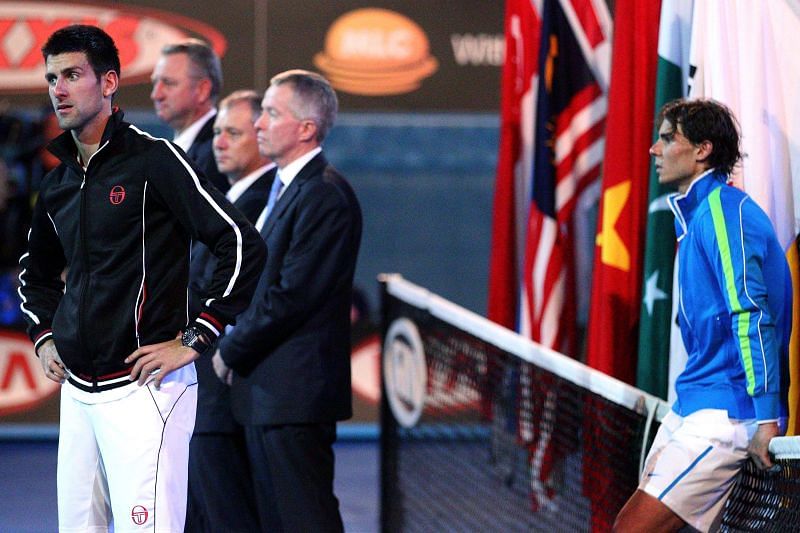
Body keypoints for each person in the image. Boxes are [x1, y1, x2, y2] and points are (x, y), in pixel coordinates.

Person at [18, 25, 265, 532]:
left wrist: (198, 336)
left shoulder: (155, 160)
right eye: (51, 78)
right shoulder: (60, 181)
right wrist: (44, 338)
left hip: (145, 391)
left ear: (109, 83)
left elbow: (239, 244)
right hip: (78, 393)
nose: (58, 90)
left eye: (72, 75)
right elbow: (35, 274)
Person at [614, 98, 791, 533]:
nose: (654, 150)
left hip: (728, 413)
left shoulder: (723, 213)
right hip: (695, 403)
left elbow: (751, 315)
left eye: (668, 138)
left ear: (702, 150)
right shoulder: (697, 216)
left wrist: (766, 418)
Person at [212, 69, 362, 532]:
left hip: (294, 396)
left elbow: (290, 296)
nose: (259, 124)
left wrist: (229, 350)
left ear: (306, 129)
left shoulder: (323, 196)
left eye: (272, 113)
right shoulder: (289, 190)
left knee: (303, 519)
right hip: (270, 394)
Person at [184, 89, 275, 532]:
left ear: (262, 135)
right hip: (203, 393)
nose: (218, 142)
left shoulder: (258, 205)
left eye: (232, 133)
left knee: (227, 517)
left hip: (221, 394)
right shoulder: (228, 199)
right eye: (217, 131)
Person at [150, 39, 229, 193]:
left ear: (202, 90)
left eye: (168, 83)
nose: (156, 95)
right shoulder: (179, 149)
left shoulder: (219, 152)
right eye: (155, 83)